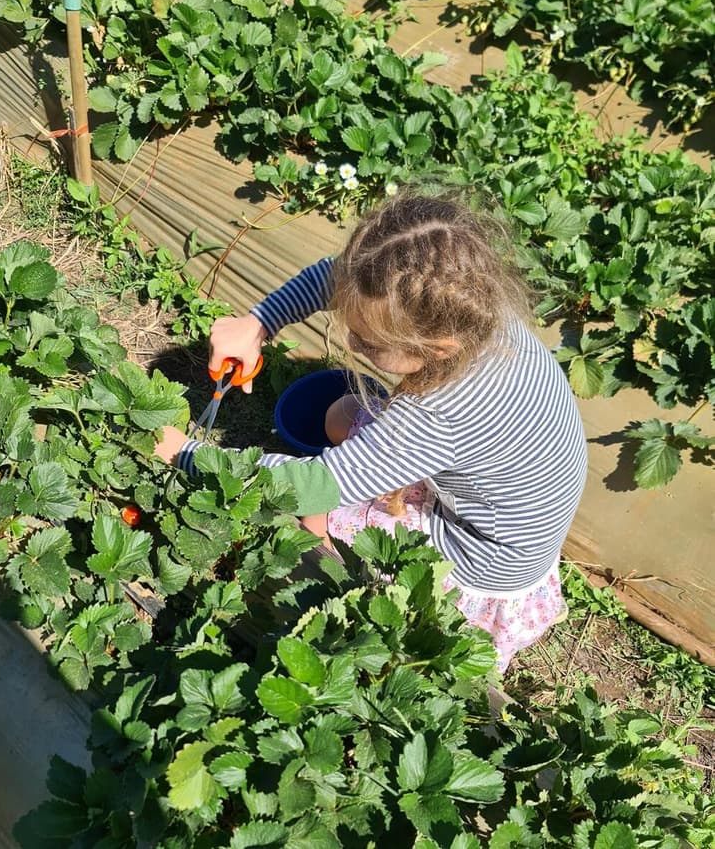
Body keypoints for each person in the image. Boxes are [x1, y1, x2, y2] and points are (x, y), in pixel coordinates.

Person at [155, 192, 588, 671]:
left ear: (436, 347)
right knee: (341, 414)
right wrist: (258, 323)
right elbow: (338, 278)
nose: (349, 339)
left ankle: (332, 592)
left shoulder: (440, 412)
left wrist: (187, 454)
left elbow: (307, 486)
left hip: (478, 557)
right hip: (498, 506)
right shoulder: (475, 308)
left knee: (309, 516)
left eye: (367, 342)